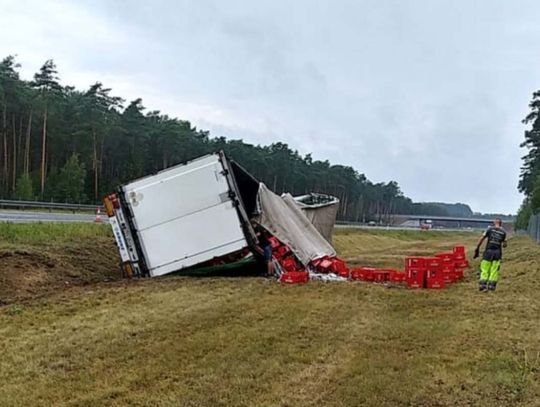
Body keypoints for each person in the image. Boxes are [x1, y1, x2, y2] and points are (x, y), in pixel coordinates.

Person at [473, 218, 507, 292]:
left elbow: (482, 238)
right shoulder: (503, 232)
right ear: (501, 223)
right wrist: (504, 242)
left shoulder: (489, 229)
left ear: (494, 222)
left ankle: (483, 286)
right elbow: (504, 245)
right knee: (494, 270)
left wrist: (477, 248)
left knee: (484, 269)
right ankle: (491, 287)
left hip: (488, 252)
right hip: (497, 253)